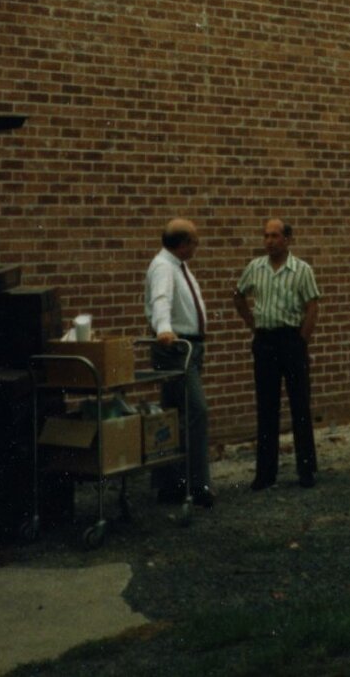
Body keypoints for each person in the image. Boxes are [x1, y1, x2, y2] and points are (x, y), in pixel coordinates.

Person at [233, 217, 321, 490]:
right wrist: (253, 325)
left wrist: (301, 340)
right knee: (266, 407)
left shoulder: (302, 270)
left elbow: (312, 306)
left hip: (291, 340)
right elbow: (238, 296)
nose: (269, 241)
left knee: (300, 406)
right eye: (266, 236)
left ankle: (306, 470)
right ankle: (265, 474)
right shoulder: (255, 268)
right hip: (265, 342)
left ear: (287, 239)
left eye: (275, 236)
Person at [144, 217, 214, 508]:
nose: (196, 246)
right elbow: (160, 299)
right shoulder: (164, 267)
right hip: (175, 348)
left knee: (172, 416)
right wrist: (163, 329)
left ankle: (170, 484)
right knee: (196, 411)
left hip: (188, 348)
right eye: (194, 242)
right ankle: (197, 485)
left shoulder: (178, 266)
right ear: (183, 243)